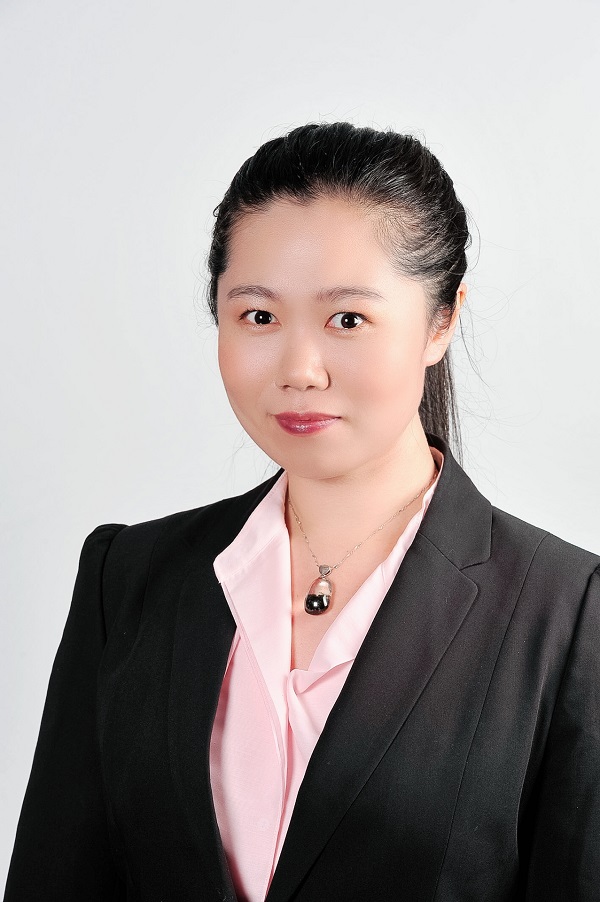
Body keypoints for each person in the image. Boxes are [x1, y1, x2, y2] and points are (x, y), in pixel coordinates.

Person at [4, 121, 599, 902]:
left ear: (442, 320)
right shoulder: (129, 580)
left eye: (347, 318)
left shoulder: (567, 614)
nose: (299, 369)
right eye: (258, 316)